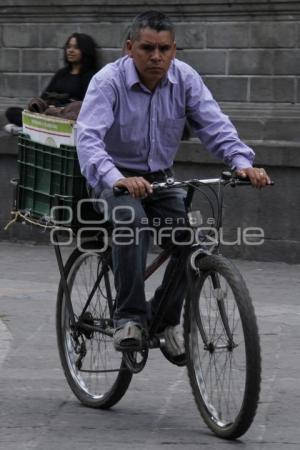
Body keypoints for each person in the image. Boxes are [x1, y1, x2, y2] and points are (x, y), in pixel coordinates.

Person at [76, 11, 271, 357]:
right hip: (112, 175)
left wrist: (242, 164)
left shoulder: (185, 79)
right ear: (129, 48)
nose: (156, 57)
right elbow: (89, 141)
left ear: (174, 50)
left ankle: (164, 320)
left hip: (160, 178)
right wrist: (118, 178)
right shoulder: (107, 82)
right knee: (131, 223)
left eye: (164, 49)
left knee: (189, 242)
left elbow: (215, 125)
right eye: (147, 48)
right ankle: (129, 319)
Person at [4, 33, 98, 134]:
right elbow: (44, 97)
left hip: (66, 117)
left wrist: (59, 107)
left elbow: (83, 105)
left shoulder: (91, 76)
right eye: (69, 47)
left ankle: (27, 130)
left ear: (85, 51)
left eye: (76, 48)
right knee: (12, 112)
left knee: (62, 117)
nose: (70, 50)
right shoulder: (62, 73)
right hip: (47, 113)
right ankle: (31, 128)